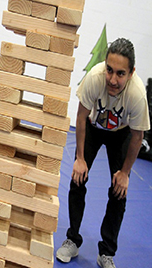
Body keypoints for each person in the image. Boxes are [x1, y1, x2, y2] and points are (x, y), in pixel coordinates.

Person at [56, 38, 150, 268]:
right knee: (77, 179)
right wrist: (79, 158)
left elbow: (138, 137)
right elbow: (80, 116)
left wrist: (125, 173)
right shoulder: (95, 78)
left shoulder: (137, 94)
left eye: (120, 73)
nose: (112, 79)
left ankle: (106, 252)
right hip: (93, 127)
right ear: (105, 65)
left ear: (131, 73)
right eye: (109, 70)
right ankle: (72, 239)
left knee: (119, 191)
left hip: (121, 133)